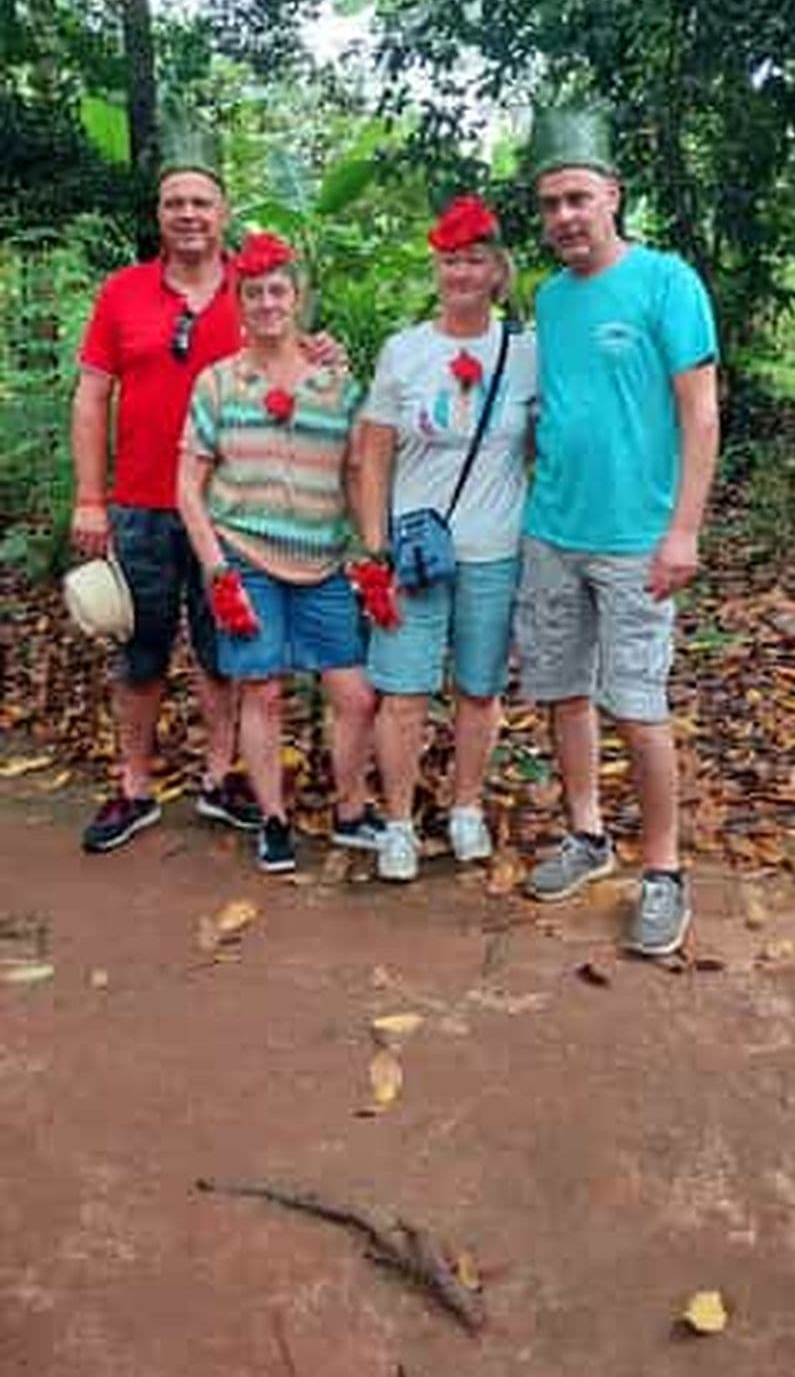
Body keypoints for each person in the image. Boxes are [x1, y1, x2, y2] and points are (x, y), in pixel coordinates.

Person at [514, 107, 719, 956]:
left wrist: (683, 531)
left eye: (577, 198)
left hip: (638, 537)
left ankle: (663, 870)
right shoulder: (549, 299)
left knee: (637, 704)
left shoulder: (668, 283)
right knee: (563, 691)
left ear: (612, 197)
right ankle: (587, 833)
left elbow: (700, 409)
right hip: (552, 528)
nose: (564, 215)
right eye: (551, 203)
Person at [72, 131, 258, 852]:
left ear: (223, 209)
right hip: (142, 502)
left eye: (201, 201)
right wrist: (91, 496)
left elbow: (292, 372)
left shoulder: (257, 285)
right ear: (159, 213)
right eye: (174, 202)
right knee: (141, 650)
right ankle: (135, 786)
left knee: (223, 652)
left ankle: (220, 778)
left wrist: (323, 353)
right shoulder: (123, 291)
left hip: (232, 508)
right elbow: (92, 396)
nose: (188, 214)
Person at [177, 230, 381, 872]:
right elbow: (187, 485)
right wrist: (216, 569)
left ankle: (351, 811)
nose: (267, 303)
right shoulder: (217, 383)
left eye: (278, 291)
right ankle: (273, 820)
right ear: (239, 302)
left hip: (322, 563)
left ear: (298, 298)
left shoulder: (337, 384)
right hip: (243, 555)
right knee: (261, 691)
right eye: (254, 293)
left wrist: (372, 552)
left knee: (355, 694)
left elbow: (356, 474)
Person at [358, 194, 538, 883]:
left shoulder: (525, 352)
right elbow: (373, 451)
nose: (461, 273)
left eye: (475, 260)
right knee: (402, 692)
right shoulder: (405, 351)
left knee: (478, 688)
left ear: (498, 271)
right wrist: (376, 545)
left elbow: (550, 438)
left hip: (495, 549)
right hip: (413, 553)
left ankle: (466, 805)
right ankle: (399, 821)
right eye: (450, 260)